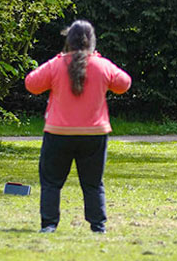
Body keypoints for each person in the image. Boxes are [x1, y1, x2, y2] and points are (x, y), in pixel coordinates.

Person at [25, 20, 131, 234]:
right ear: (92, 42)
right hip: (94, 134)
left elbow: (31, 84)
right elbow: (124, 84)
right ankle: (98, 225)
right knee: (93, 183)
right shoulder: (102, 65)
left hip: (58, 133)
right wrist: (100, 61)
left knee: (51, 182)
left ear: (68, 41)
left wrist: (57, 59)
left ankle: (49, 224)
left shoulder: (57, 64)